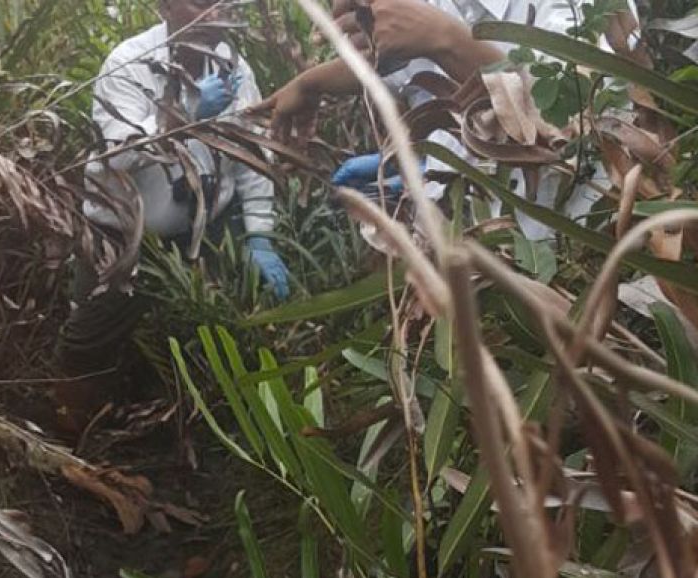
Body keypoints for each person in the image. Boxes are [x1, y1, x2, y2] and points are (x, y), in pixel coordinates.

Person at [58, 0, 289, 408]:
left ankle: (168, 431)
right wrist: (182, 117)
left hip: (203, 233)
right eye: (199, 3)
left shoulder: (235, 69)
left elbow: (252, 157)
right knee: (87, 346)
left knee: (189, 341)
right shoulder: (129, 63)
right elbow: (117, 155)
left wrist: (260, 234)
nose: (213, 12)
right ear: (165, 7)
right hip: (124, 237)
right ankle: (67, 438)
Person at [266, 0, 624, 239]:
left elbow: (572, 116)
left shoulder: (575, 9)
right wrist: (310, 84)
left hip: (583, 239)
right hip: (475, 249)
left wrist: (445, 39)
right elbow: (398, 69)